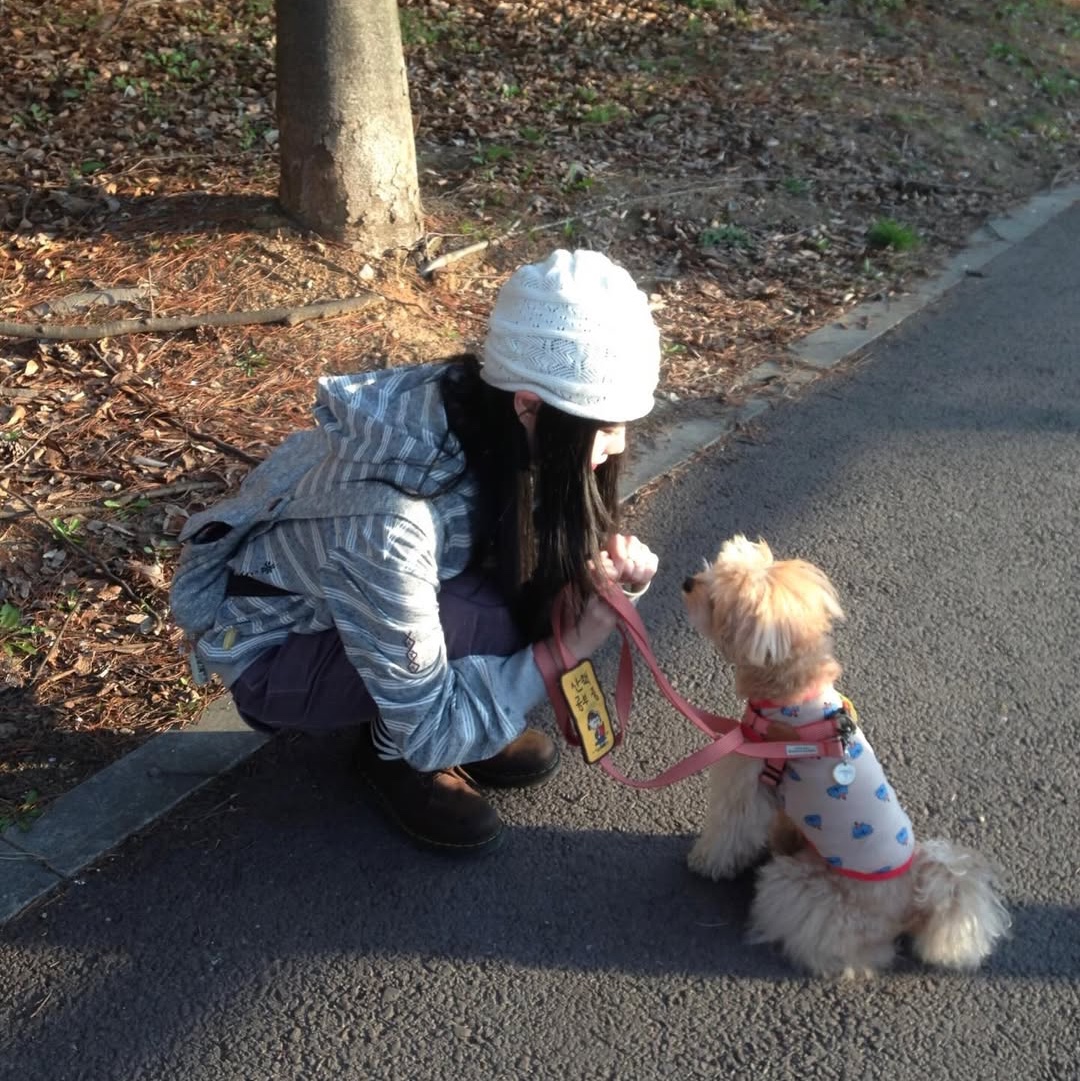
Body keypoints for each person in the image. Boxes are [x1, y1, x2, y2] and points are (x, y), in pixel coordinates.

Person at [170, 249, 662, 853]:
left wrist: (606, 580)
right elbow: (431, 727)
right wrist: (574, 644)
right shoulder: (391, 524)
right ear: (528, 406)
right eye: (603, 427)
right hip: (273, 652)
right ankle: (391, 756)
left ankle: (466, 707)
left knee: (509, 588)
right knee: (488, 618)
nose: (618, 446)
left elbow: (534, 545)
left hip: (353, 609)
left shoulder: (478, 410)